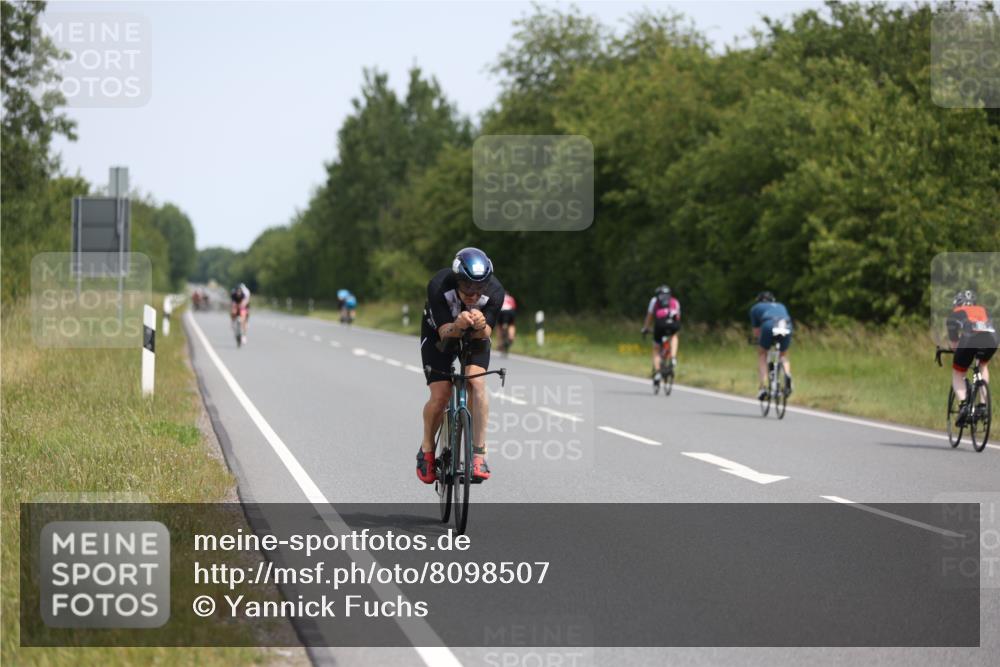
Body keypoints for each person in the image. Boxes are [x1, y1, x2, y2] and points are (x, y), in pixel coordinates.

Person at [417, 247, 505, 485]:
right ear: (457, 280)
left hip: (474, 337)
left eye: (480, 288)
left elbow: (486, 334)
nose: (474, 295)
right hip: (439, 335)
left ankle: (478, 453)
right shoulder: (439, 285)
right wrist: (458, 324)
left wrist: (480, 324)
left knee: (476, 383)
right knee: (441, 395)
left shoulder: (496, 291)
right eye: (467, 287)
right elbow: (446, 335)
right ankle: (426, 449)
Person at [946, 289, 997, 425]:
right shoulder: (984, 309)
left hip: (970, 337)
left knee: (958, 372)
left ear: (957, 303)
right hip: (992, 338)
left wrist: (955, 351)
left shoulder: (955, 314)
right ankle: (982, 406)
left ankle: (963, 407)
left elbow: (955, 345)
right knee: (983, 365)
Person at [750, 291, 792, 400]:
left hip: (769, 324)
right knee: (783, 355)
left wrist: (760, 342)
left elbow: (756, 332)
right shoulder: (781, 305)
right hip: (786, 325)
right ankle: (787, 374)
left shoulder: (756, 308)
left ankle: (763, 387)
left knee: (762, 354)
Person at [641, 285, 681, 387]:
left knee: (656, 349)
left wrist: (645, 328)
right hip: (673, 325)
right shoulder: (675, 301)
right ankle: (673, 357)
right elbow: (678, 317)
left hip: (660, 326)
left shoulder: (654, 301)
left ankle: (658, 373)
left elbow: (649, 316)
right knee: (674, 336)